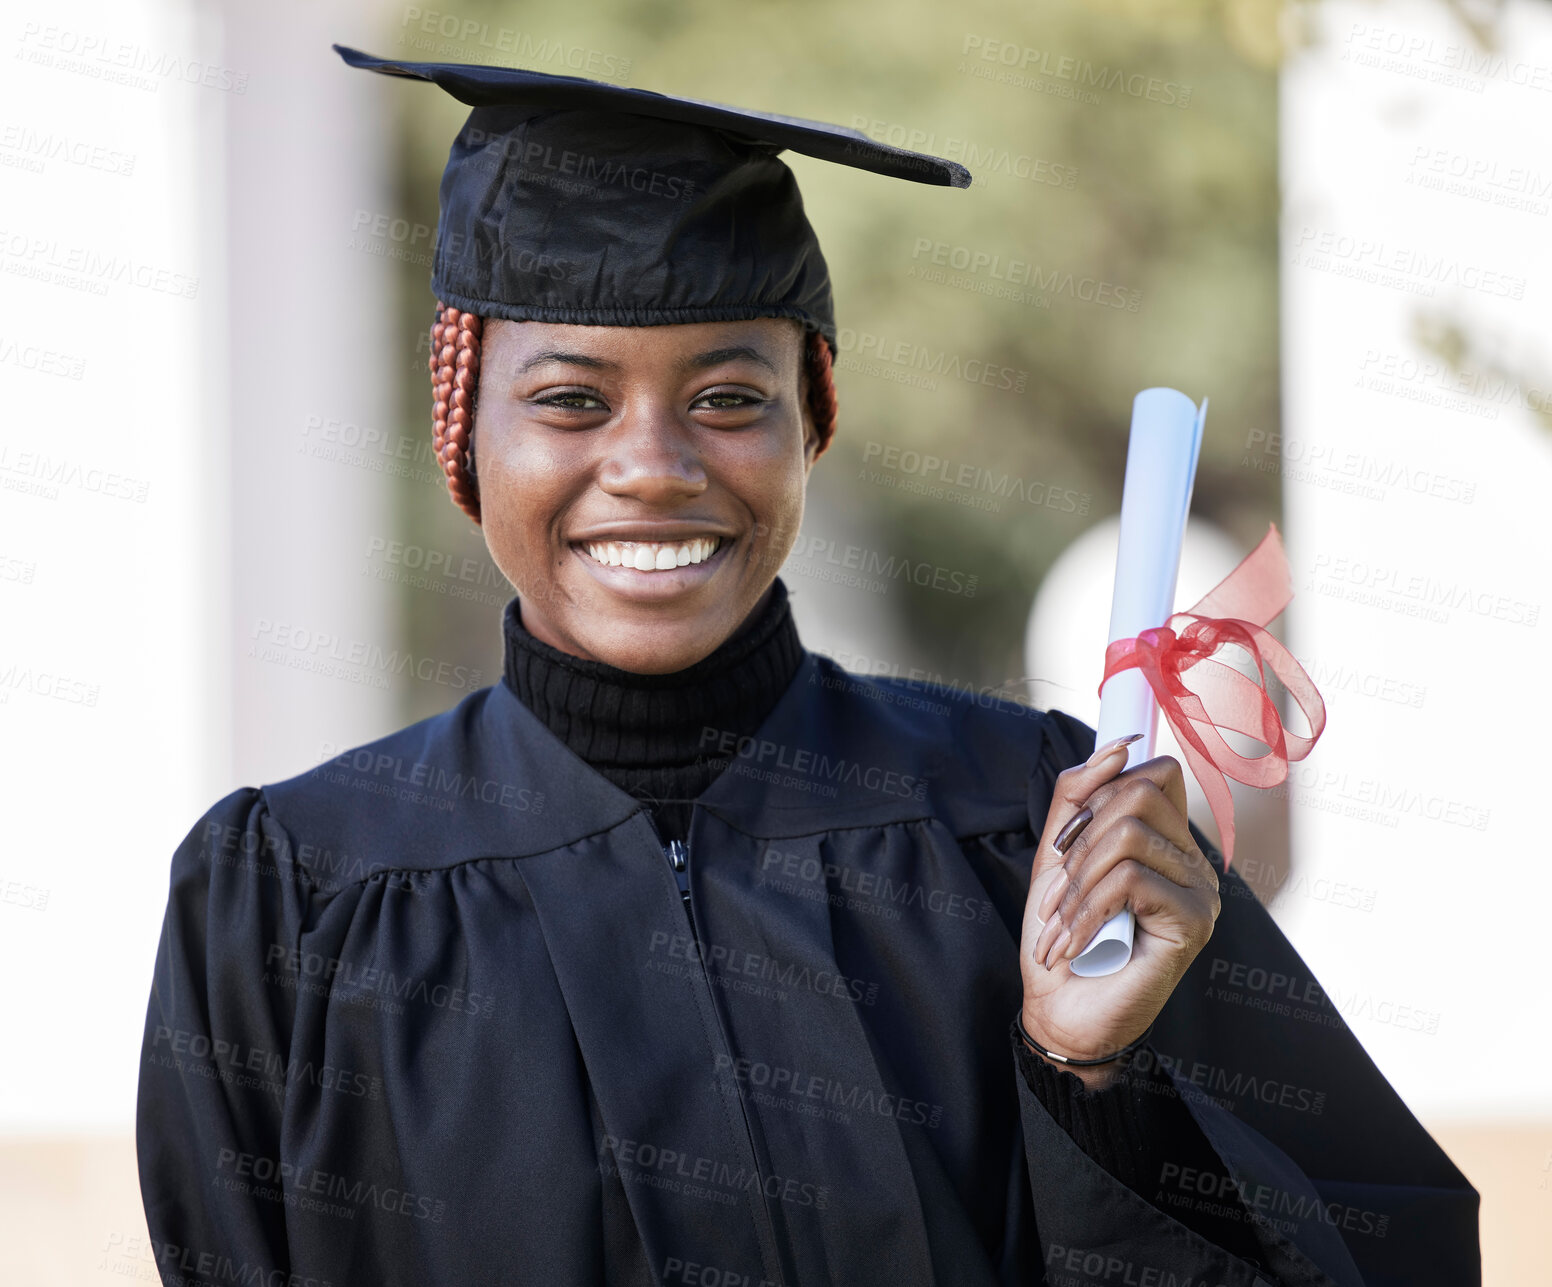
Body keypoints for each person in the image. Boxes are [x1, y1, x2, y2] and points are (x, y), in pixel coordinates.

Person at [135, 46, 1480, 1287]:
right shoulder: (289, 904)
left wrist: (1094, 1084)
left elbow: (1387, 1250)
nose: (654, 465)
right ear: (464, 434)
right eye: (569, 400)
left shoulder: (1037, 832)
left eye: (729, 398)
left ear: (811, 425)